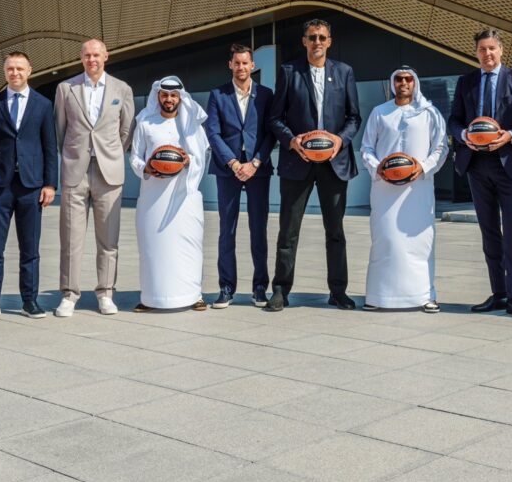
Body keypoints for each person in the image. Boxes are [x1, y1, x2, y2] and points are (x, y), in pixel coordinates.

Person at [266, 19, 361, 312]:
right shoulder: (289, 72)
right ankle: (280, 291)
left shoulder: (344, 72)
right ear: (304, 41)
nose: (317, 42)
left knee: (335, 231)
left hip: (333, 162)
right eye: (312, 37)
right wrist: (292, 141)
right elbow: (274, 118)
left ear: (329, 41)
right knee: (288, 230)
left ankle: (338, 291)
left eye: (322, 37)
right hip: (298, 162)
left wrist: (339, 141)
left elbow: (354, 118)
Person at [447, 29, 512, 319]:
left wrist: (511, 135)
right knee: (489, 232)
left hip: (508, 163)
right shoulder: (466, 82)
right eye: (482, 50)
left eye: (491, 48)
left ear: (501, 50)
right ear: (476, 53)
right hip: (477, 164)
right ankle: (498, 292)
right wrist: (463, 135)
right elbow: (454, 119)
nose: (487, 54)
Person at [0, 51, 57, 321]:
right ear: (5, 72)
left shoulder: (43, 105)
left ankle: (29, 301)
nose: (15, 73)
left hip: (31, 186)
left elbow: (49, 147)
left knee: (30, 250)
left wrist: (50, 184)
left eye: (20, 68)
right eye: (10, 69)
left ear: (29, 70)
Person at [54, 39, 136, 317]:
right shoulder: (66, 89)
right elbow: (60, 130)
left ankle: (105, 292)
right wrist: (74, 155)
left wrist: (110, 154)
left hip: (108, 172)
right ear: (81, 57)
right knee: (71, 238)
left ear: (106, 57)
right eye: (87, 55)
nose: (92, 59)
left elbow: (126, 129)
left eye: (96, 55)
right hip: (75, 171)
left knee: (108, 239)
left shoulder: (121, 89)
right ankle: (69, 294)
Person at [360, 67, 449, 312]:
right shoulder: (380, 112)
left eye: (408, 79)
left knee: (419, 243)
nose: (403, 83)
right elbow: (366, 148)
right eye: (399, 79)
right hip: (385, 190)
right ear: (393, 83)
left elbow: (441, 148)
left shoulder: (430, 113)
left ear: (415, 83)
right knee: (386, 240)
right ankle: (378, 297)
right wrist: (379, 168)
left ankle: (425, 296)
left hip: (417, 190)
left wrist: (422, 167)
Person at [130, 77, 210, 312]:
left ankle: (194, 295)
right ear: (158, 96)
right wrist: (146, 167)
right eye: (164, 95)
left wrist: (187, 161)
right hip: (153, 198)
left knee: (189, 248)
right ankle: (151, 298)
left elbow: (202, 157)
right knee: (153, 249)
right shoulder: (145, 122)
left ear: (180, 98)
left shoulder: (191, 126)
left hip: (184, 198)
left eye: (173, 96)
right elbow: (135, 156)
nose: (169, 99)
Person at [204, 43, 275, 308]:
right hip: (227, 170)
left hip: (258, 170)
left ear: (252, 66)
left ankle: (259, 289)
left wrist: (255, 162)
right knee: (227, 230)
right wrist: (234, 163)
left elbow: (271, 133)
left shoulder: (266, 95)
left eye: (246, 63)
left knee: (259, 230)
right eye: (237, 63)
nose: (241, 67)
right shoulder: (217, 95)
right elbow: (213, 133)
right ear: (230, 65)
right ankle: (226, 288)